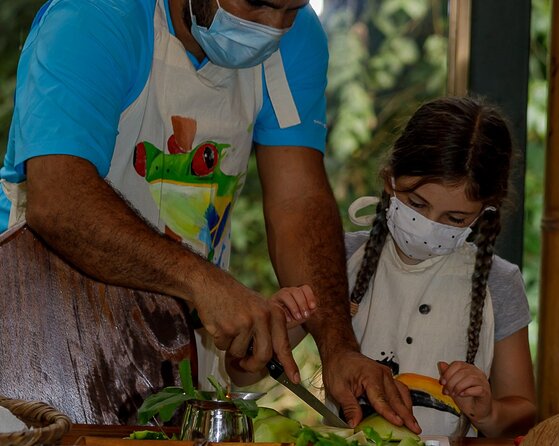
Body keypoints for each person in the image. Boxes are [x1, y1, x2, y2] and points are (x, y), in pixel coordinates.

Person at [0, 0, 418, 432]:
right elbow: (60, 200)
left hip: (176, 351)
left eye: (292, 9)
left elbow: (298, 202)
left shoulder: (297, 37)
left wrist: (338, 346)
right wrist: (203, 283)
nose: (274, 27)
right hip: (35, 326)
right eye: (258, 4)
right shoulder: (95, 16)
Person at [229, 96, 536, 437]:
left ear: (485, 213)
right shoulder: (337, 260)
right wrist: (278, 325)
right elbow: (243, 373)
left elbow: (523, 413)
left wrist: (489, 412)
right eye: (417, 204)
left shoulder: (499, 283)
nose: (429, 224)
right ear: (390, 179)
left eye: (455, 219)